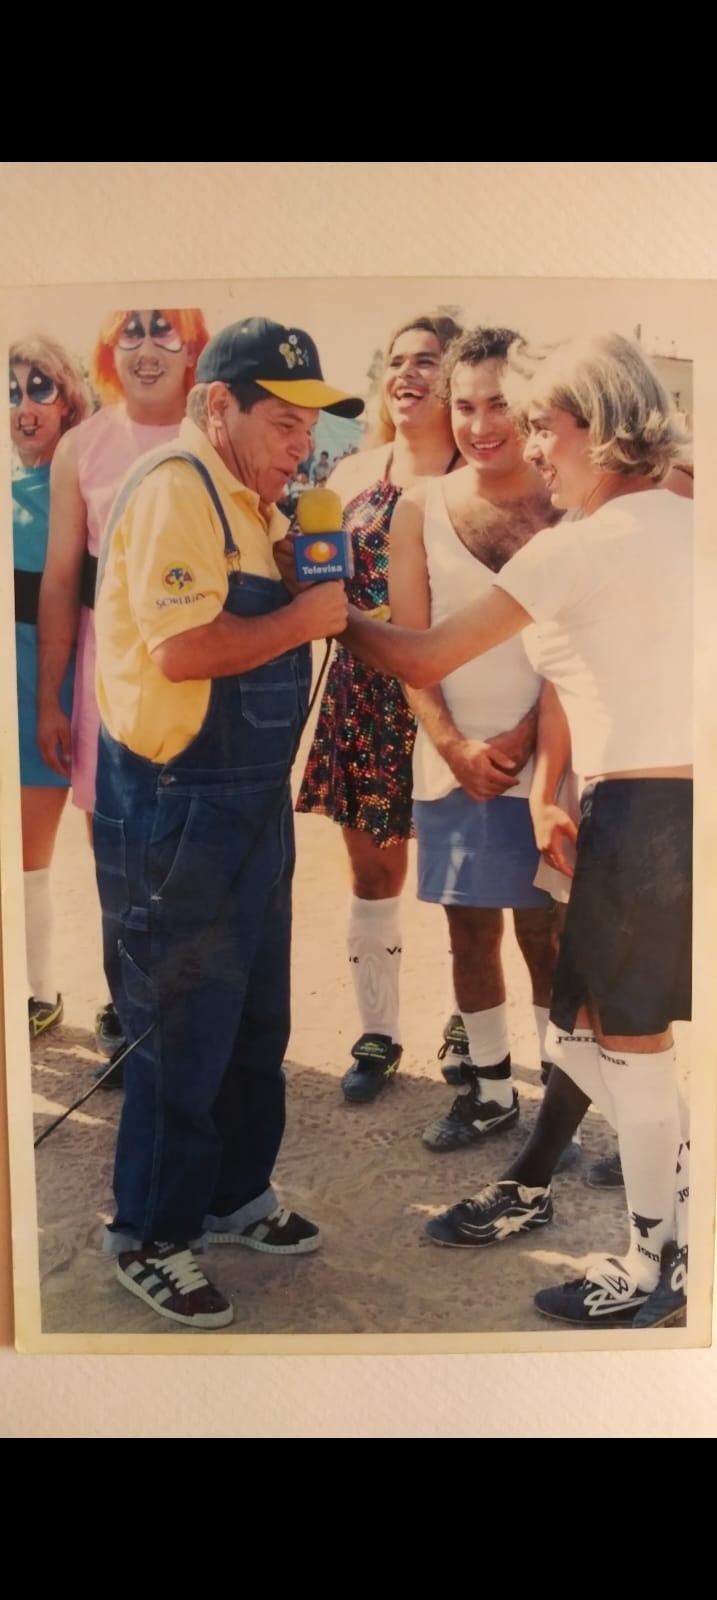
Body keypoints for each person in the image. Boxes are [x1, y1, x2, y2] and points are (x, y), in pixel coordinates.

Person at [343, 332, 692, 1329]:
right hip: (663, 805)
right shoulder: (685, 514)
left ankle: (660, 1257)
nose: (533, 446)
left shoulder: (572, 544)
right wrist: (556, 786)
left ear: (601, 426)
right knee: (595, 1035)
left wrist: (324, 608)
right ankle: (635, 1216)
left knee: (631, 1049)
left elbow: (423, 652)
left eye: (546, 424)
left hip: (639, 818)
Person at [93, 315, 358, 1328]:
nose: (302, 445)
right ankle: (152, 1234)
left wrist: (297, 571)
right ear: (220, 406)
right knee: (185, 1027)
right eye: (283, 424)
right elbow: (182, 651)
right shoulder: (176, 490)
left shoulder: (254, 502)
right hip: (179, 802)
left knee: (257, 1016)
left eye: (310, 429)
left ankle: (235, 1195)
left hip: (249, 797)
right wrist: (303, 617)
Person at [388, 327, 573, 1153]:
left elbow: (580, 636)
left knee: (549, 933)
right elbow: (406, 646)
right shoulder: (418, 508)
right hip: (454, 764)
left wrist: (533, 738)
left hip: (553, 761)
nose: (480, 424)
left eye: (498, 403)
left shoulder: (568, 498)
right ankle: (491, 1092)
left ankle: (560, 1107)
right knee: (469, 929)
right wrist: (458, 748)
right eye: (463, 405)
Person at [296, 312, 464, 1103]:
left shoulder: (481, 477)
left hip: (460, 696)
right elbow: (315, 580)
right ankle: (378, 1034)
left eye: (427, 360)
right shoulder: (349, 476)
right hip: (363, 694)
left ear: (456, 375)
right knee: (372, 875)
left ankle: (472, 1027)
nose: (408, 374)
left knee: (470, 875)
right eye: (396, 360)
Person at [37, 307, 210, 1065]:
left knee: (191, 855)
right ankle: (124, 1008)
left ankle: (192, 1018)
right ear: (109, 347)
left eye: (165, 331)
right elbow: (60, 580)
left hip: (199, 675)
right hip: (105, 686)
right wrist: (50, 695)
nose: (147, 349)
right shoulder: (82, 446)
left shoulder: (212, 429)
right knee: (115, 853)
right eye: (130, 333)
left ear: (194, 345)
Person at [11, 336, 92, 1037]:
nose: (23, 405)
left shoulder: (90, 488)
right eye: (10, 393)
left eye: (39, 387)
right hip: (20, 703)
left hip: (83, 697)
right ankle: (37, 993)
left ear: (67, 397)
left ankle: (124, 1003)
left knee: (114, 857)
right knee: (23, 858)